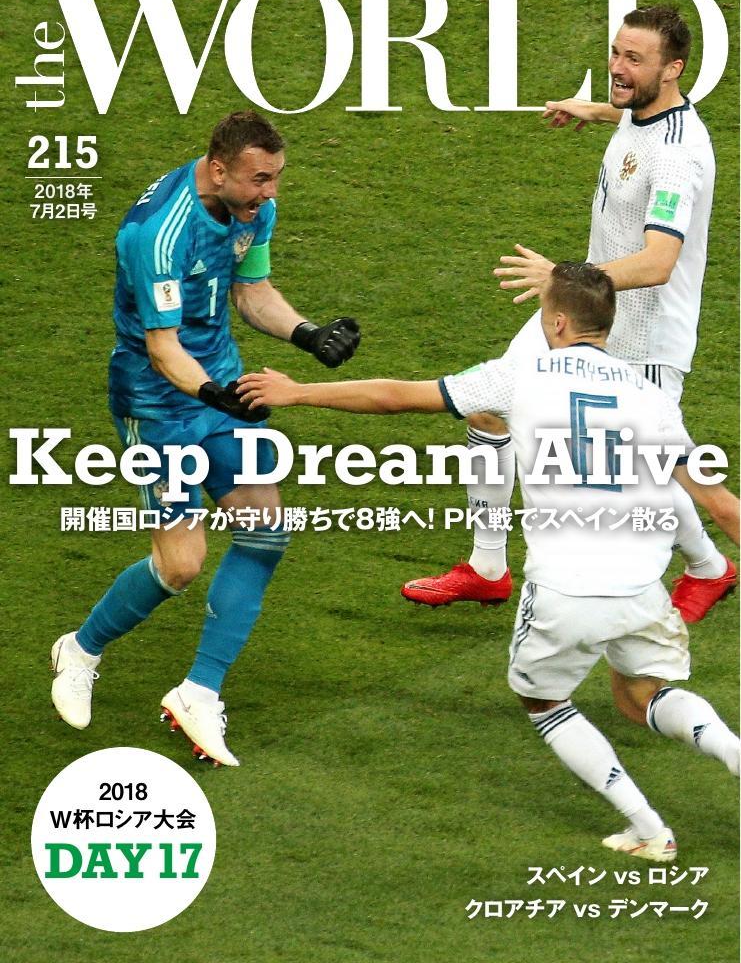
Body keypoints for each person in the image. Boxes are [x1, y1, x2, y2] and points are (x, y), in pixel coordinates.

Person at [237, 262, 740, 858]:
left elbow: (396, 397)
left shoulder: (518, 376)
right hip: (642, 585)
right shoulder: (651, 398)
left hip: (564, 588)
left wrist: (297, 391)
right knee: (642, 696)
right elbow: (722, 506)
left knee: (545, 702)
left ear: (558, 321)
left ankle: (648, 829)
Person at [401, 5, 736, 623]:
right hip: (586, 310)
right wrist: (597, 110)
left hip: (642, 338)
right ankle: (487, 567)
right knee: (487, 405)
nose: (617, 67)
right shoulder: (646, 112)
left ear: (673, 69)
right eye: (616, 52)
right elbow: (637, 121)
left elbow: (659, 261)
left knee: (664, 473)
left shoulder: (677, 157)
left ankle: (710, 567)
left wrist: (561, 276)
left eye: (634, 59)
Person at [50, 110, 360, 767]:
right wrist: (211, 393)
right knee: (181, 565)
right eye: (259, 180)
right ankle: (79, 650)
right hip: (157, 404)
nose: (269, 193)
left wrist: (308, 334)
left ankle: (198, 691)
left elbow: (252, 291)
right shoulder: (156, 235)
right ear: (219, 170)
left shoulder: (250, 208)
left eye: (275, 178)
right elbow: (162, 348)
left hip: (218, 387)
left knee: (265, 529)